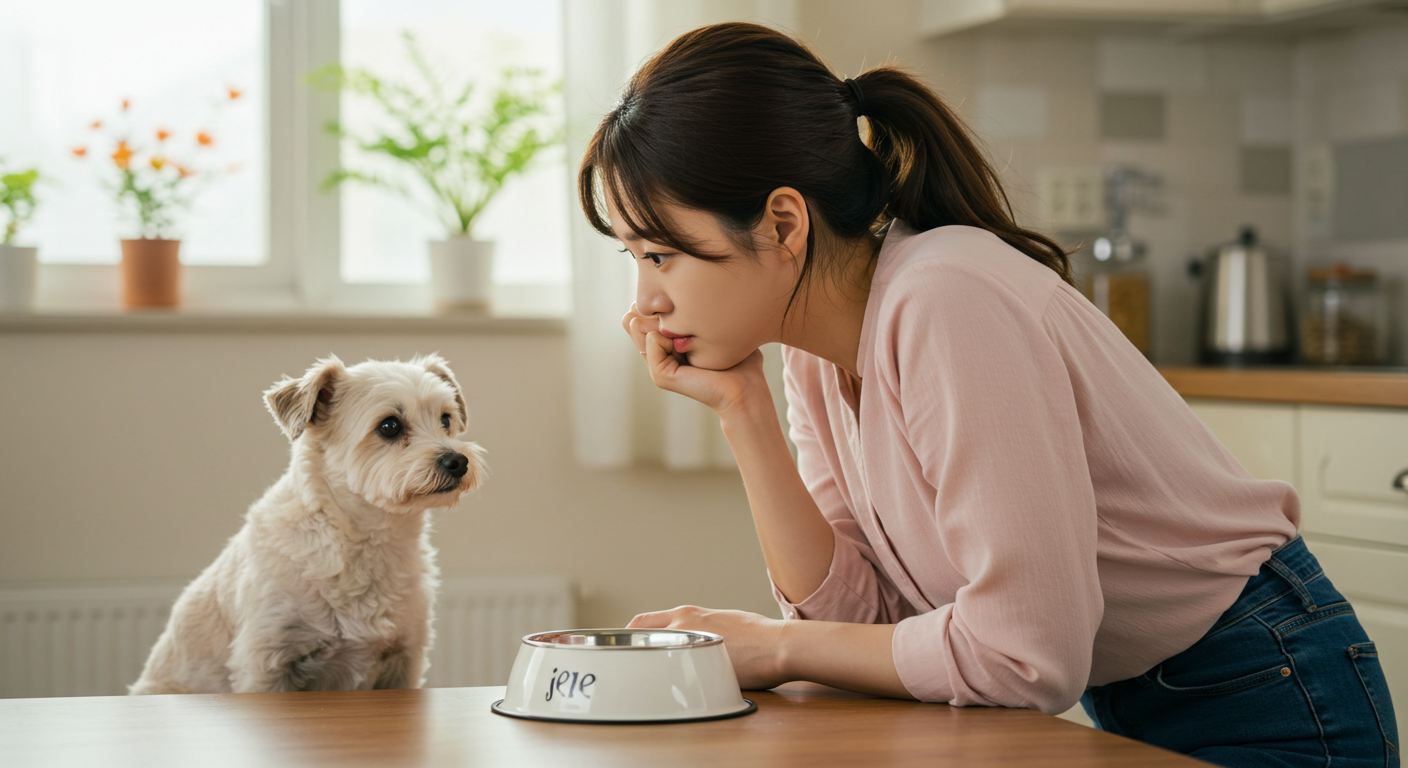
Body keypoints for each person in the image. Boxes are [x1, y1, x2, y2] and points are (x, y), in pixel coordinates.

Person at [577, 21, 1399, 768]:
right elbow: (867, 627)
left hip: (1271, 691)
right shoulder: (814, 354)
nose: (646, 301)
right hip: (1141, 699)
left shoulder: (946, 298)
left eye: (660, 255)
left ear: (784, 225)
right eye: (635, 260)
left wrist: (777, 650)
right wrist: (743, 410)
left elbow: (1024, 654)